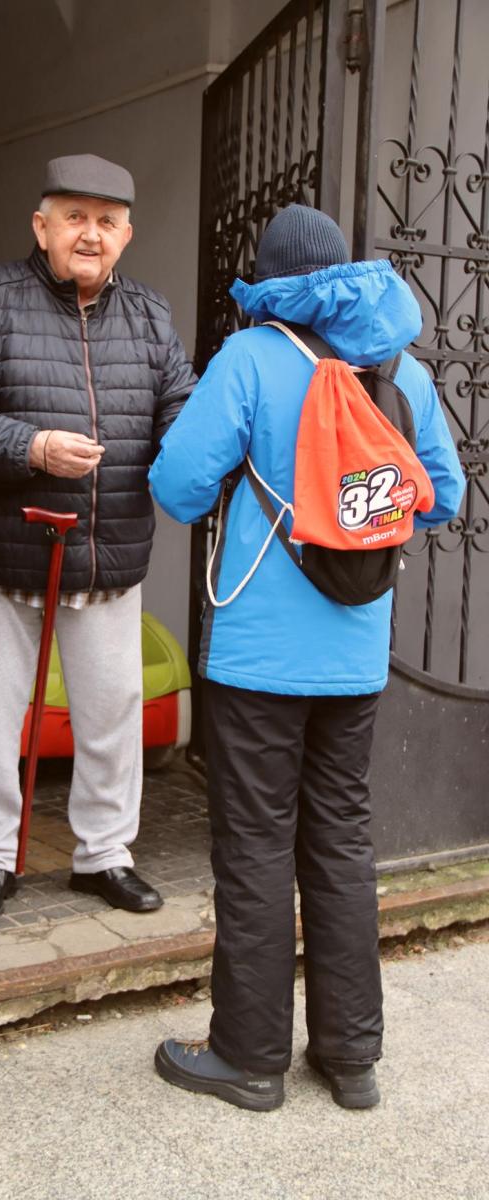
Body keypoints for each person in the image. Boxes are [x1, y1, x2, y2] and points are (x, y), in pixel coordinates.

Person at [148, 205, 465, 1112]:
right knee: (342, 841)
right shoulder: (402, 369)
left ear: (270, 284)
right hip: (356, 657)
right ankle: (351, 1057)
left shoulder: (251, 358)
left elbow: (177, 486)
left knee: (255, 847)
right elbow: (443, 496)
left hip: (257, 657)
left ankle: (249, 1058)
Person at [0, 154, 196, 921]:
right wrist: (32, 447)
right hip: (4, 555)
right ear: (41, 225)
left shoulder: (150, 314)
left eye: (107, 221)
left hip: (109, 554)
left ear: (127, 235)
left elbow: (181, 409)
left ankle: (104, 856)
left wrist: (194, 453)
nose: (91, 234)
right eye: (75, 217)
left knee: (113, 716)